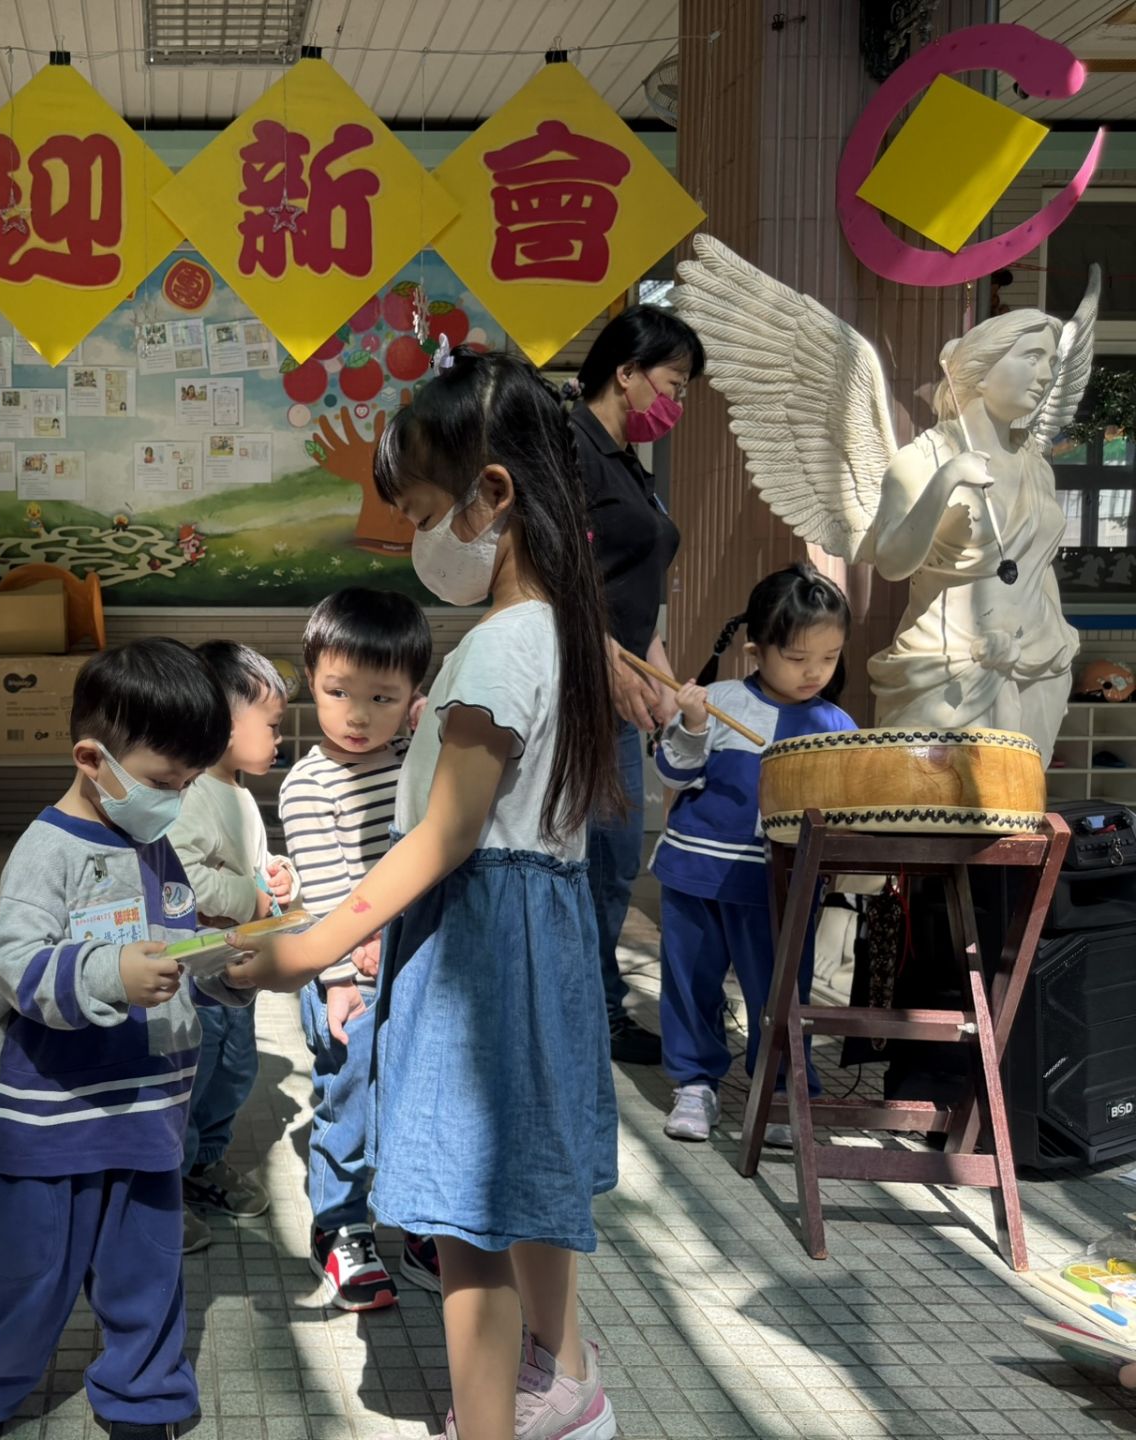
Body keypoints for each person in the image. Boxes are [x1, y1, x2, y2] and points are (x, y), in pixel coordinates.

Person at [229, 350, 624, 1440]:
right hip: (539, 933)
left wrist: (308, 948)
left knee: (465, 1217)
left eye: (419, 511)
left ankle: (490, 1425)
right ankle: (567, 1384)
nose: (416, 537)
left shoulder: (499, 649)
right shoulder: (565, 637)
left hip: (479, 951)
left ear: (492, 496)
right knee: (523, 1181)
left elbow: (447, 836)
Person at [0, 640, 253, 1440]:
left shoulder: (156, 846)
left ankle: (144, 1395)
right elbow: (15, 965)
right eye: (164, 782)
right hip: (45, 1121)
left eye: (187, 784)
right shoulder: (48, 848)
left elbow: (175, 952)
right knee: (14, 1272)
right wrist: (109, 973)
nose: (175, 801)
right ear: (91, 759)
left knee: (145, 1270)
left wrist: (227, 970)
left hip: (146, 1114)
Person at [278, 587, 441, 1310]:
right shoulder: (310, 786)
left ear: (412, 699)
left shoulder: (414, 758)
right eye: (338, 692)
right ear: (310, 682)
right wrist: (339, 977)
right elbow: (323, 894)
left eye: (382, 698)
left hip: (411, 962)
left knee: (416, 1092)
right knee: (347, 1095)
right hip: (345, 977)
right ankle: (340, 1226)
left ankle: (416, 1221)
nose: (357, 715)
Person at [654, 566, 855, 1146]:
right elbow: (671, 773)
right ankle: (695, 1083)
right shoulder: (718, 702)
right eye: (797, 657)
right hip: (695, 872)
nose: (814, 672)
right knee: (690, 982)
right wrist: (693, 725)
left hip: (782, 885)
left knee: (781, 990)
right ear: (755, 651)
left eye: (829, 657)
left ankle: (784, 1087)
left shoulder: (836, 726)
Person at [571, 306, 706, 1066]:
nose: (678, 402)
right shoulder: (571, 447)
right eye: (674, 383)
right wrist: (607, 661)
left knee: (614, 856)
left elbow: (634, 586)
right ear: (625, 372)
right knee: (591, 854)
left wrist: (655, 663)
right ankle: (586, 1012)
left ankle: (595, 1005)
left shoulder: (627, 462)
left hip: (623, 685)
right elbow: (550, 576)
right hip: (576, 688)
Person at [167, 643, 296, 1252]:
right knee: (192, 1078)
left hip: (235, 970)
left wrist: (279, 875)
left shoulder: (238, 792)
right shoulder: (191, 794)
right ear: (220, 722)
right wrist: (253, 896)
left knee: (234, 1070)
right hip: (197, 975)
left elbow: (253, 866)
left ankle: (203, 1164)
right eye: (271, 725)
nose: (279, 738)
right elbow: (184, 878)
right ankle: (165, 1184)